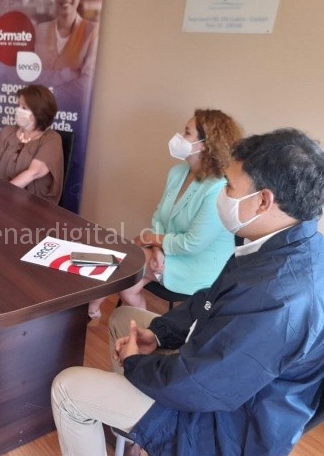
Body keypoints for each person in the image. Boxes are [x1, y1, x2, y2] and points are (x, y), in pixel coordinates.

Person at [51, 128, 324, 456]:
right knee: (125, 319)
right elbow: (208, 302)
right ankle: (127, 423)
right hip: (209, 379)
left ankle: (125, 411)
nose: (222, 196)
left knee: (67, 390)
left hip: (223, 431)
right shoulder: (281, 246)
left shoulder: (278, 296)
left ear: (263, 201)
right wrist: (159, 333)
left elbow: (202, 384)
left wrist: (136, 364)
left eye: (229, 187)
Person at [88, 109, 242, 316]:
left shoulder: (217, 188)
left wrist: (152, 239)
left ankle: (91, 309)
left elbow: (193, 244)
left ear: (205, 145)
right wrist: (157, 249)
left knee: (127, 260)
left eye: (187, 132)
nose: (179, 136)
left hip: (199, 266)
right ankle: (139, 328)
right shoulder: (177, 173)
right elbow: (159, 218)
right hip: (169, 252)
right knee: (128, 285)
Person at [0, 84, 64, 204]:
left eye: (24, 108)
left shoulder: (52, 139)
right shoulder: (8, 131)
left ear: (39, 113)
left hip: (32, 203)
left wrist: (3, 195)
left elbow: (33, 172)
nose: (18, 110)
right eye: (18, 106)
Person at [33, 0, 98, 104]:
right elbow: (33, 76)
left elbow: (87, 83)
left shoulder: (92, 32)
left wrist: (49, 92)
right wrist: (69, 74)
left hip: (72, 110)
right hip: (39, 110)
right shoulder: (39, 31)